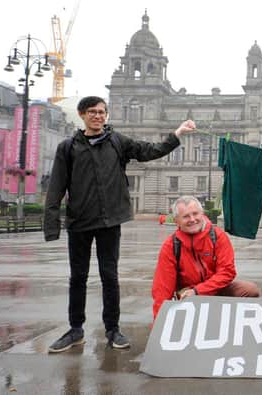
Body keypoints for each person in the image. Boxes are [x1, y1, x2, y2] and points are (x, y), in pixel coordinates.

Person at [44, 96, 196, 353]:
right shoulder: (68, 147)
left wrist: (177, 133)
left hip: (110, 220)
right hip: (79, 221)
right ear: (82, 114)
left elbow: (150, 150)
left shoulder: (117, 142)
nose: (98, 116)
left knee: (110, 276)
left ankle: (113, 329)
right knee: (78, 277)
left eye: (102, 112)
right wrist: (51, 226)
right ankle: (76, 329)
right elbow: (56, 186)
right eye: (93, 112)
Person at [151, 195, 259, 319]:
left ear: (202, 214)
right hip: (187, 296)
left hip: (216, 290)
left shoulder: (218, 236)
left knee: (250, 290)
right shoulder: (170, 246)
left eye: (195, 214)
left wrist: (198, 291)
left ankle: (232, 323)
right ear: (176, 221)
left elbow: (227, 272)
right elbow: (162, 288)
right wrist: (159, 325)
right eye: (186, 216)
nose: (192, 219)